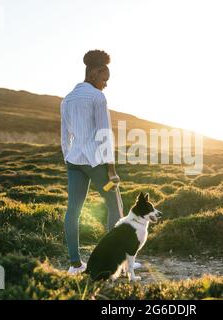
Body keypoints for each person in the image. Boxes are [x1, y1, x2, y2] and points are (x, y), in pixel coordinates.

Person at [60, 49, 140, 274]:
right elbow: (104, 134)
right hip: (96, 162)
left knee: (73, 210)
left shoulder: (66, 100)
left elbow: (64, 137)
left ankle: (75, 265)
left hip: (74, 162)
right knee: (115, 205)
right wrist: (112, 169)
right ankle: (119, 263)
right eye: (105, 79)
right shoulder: (97, 97)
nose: (106, 84)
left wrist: (69, 158)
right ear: (96, 73)